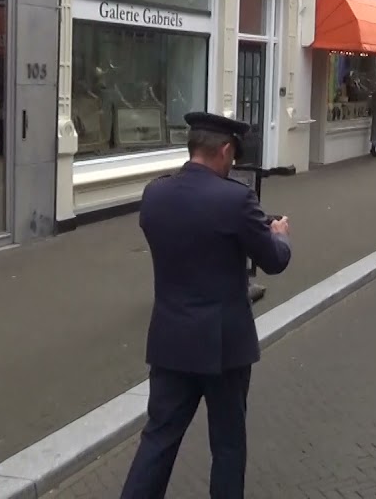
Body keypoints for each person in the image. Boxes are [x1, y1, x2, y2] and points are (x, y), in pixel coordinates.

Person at [119, 112, 291, 499]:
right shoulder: (236, 199)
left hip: (171, 341)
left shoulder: (155, 193)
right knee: (228, 444)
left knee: (158, 440)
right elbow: (274, 261)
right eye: (233, 155)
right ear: (225, 150)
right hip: (223, 348)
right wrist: (278, 235)